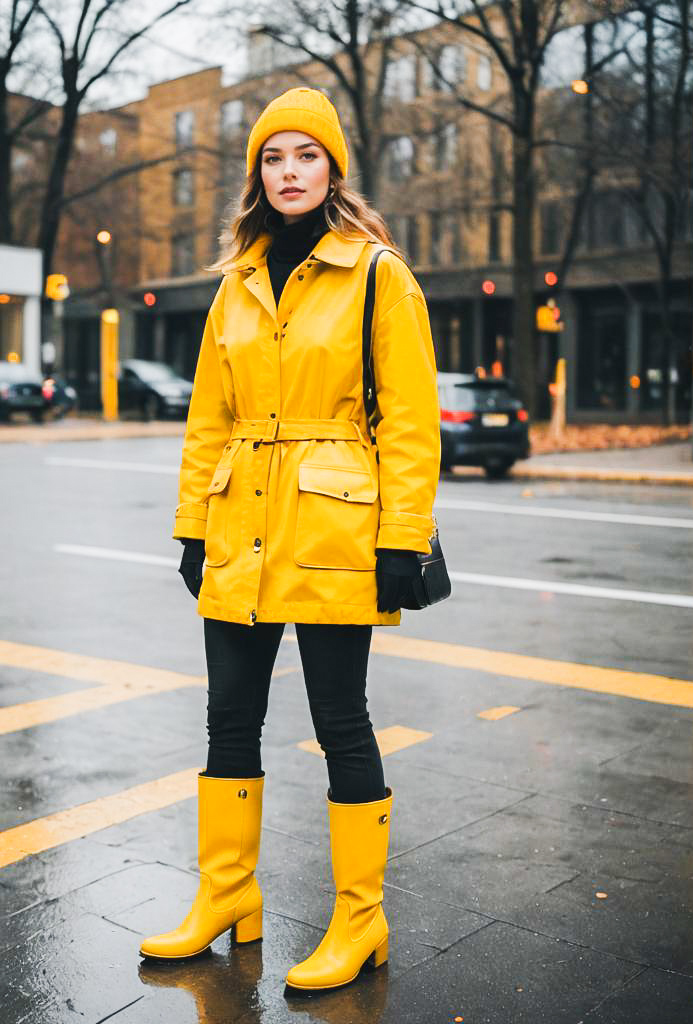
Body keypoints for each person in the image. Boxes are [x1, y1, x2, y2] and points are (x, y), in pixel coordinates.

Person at [139, 87, 440, 992]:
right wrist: (192, 525)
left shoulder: (379, 273)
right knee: (228, 714)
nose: (289, 172)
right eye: (273, 158)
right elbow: (206, 420)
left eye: (306, 156)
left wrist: (404, 536)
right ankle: (227, 894)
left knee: (339, 720)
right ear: (256, 175)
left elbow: (414, 420)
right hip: (239, 524)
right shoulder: (234, 283)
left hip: (337, 525)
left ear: (333, 168)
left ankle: (361, 916)